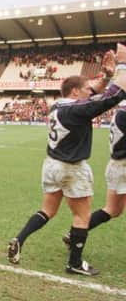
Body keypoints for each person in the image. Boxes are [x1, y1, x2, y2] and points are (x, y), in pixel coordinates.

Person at [8, 45, 126, 277]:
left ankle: (19, 239)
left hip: (51, 164)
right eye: (85, 90)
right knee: (82, 215)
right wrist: (122, 64)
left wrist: (107, 75)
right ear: (75, 92)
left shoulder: (59, 105)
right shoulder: (78, 110)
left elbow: (97, 89)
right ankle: (75, 262)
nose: (90, 92)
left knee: (47, 210)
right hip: (72, 168)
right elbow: (115, 95)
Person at [62, 99, 126, 245]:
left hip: (117, 166)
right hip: (122, 166)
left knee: (113, 210)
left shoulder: (121, 111)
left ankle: (75, 234)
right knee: (112, 209)